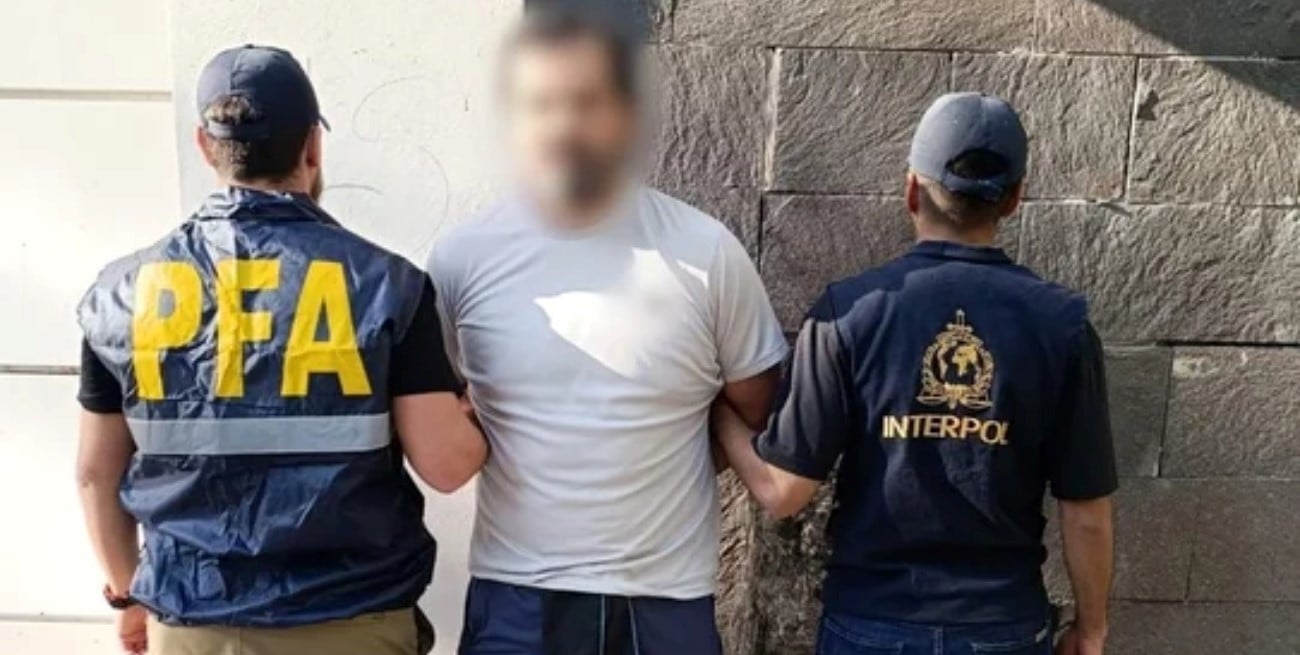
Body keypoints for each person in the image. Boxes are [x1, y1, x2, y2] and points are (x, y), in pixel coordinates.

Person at [74, 45, 487, 655]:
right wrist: (476, 412)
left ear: (205, 146)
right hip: (354, 625)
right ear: (312, 147)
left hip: (192, 627)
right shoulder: (386, 285)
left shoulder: (122, 293)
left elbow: (94, 473)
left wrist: (125, 594)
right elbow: (447, 466)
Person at [427, 7, 788, 654]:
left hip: (665, 603)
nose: (565, 125)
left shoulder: (706, 253)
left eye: (587, 101)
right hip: (518, 598)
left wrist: (667, 442)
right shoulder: (462, 259)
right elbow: (441, 410)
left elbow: (757, 405)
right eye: (544, 103)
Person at [714, 93, 1118, 655]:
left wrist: (719, 413)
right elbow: (1087, 512)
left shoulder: (848, 314)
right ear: (1014, 200)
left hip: (870, 624)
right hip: (1001, 626)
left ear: (910, 190)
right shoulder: (1063, 326)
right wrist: (1091, 629)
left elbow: (782, 493)